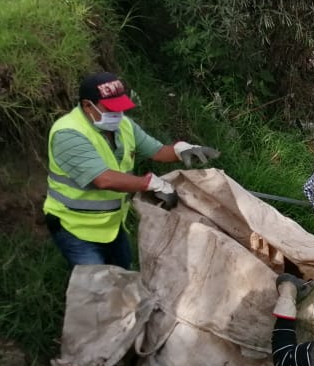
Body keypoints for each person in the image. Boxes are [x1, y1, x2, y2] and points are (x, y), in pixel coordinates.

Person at [43, 72, 219, 268]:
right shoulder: (69, 134)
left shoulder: (124, 125)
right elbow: (104, 179)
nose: (117, 115)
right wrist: (149, 184)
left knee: (123, 277)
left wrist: (181, 150)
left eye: (120, 109)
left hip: (112, 225)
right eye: (110, 109)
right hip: (75, 227)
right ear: (87, 105)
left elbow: (158, 151)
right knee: (95, 288)